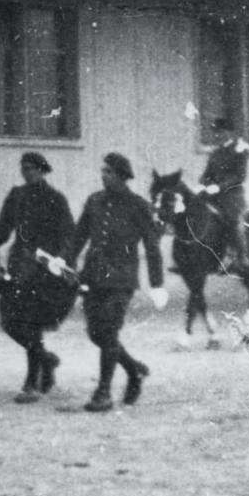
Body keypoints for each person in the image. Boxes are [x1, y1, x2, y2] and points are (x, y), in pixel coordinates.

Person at [65, 153, 168, 412]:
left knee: (108, 332)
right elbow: (79, 236)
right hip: (93, 276)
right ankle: (134, 371)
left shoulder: (138, 205)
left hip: (121, 278)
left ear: (122, 176)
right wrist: (65, 262)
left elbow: (152, 246)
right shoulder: (95, 201)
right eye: (103, 171)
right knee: (95, 333)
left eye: (108, 172)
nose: (103, 175)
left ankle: (103, 393)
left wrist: (157, 283)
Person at [0, 151, 78, 403]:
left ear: (42, 170)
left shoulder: (56, 199)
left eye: (31, 169)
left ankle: (31, 382)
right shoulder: (16, 196)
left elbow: (68, 235)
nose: (26, 173)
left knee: (30, 323)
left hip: (44, 271)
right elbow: (2, 230)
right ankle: (46, 360)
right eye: (24, 168)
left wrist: (59, 260)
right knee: (9, 321)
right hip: (19, 266)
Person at [199, 118, 249, 270]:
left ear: (230, 132)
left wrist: (219, 187)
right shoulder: (215, 153)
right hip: (212, 194)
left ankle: (240, 256)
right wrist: (201, 185)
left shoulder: (240, 150)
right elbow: (207, 174)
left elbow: (239, 176)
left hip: (232, 195)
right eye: (215, 133)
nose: (217, 136)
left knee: (233, 219)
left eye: (220, 132)